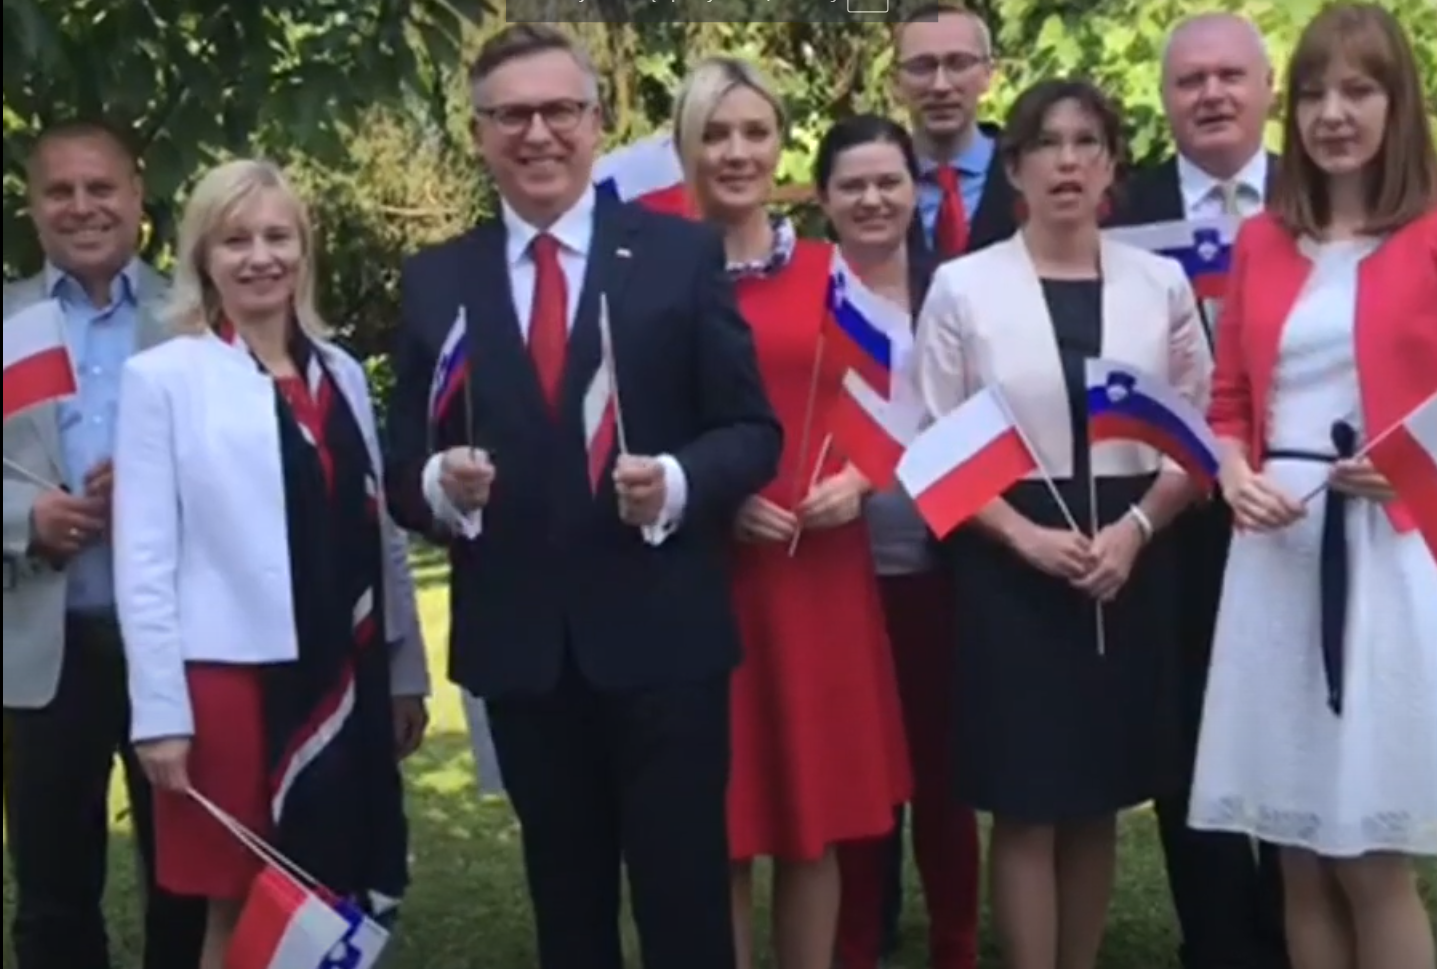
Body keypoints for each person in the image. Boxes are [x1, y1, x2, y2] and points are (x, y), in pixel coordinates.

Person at [383, 26, 782, 969]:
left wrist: (676, 481)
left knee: (686, 908)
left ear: (597, 123)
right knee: (567, 911)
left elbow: (751, 431)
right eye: (512, 115)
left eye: (559, 110)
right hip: (524, 649)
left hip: (665, 641)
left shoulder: (680, 255)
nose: (538, 133)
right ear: (478, 133)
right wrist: (440, 483)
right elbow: (401, 466)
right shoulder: (437, 281)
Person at [914, 79, 1212, 969]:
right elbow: (935, 444)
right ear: (1015, 167)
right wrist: (1024, 537)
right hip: (1011, 551)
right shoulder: (963, 286)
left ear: (1112, 164)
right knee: (1027, 797)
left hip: (1126, 547)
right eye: (1047, 143)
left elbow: (1195, 435)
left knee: (1097, 793)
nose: (1068, 161)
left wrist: (1136, 530)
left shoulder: (1159, 282)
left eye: (1088, 143)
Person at [111, 158, 430, 969]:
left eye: (277, 236)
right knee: (242, 900)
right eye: (236, 240)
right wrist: (159, 714)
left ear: (303, 248)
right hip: (228, 684)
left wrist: (404, 673)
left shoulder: (342, 373)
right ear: (202, 256)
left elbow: (381, 533)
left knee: (333, 899)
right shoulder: (162, 379)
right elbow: (142, 559)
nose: (260, 257)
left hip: (345, 674)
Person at [1189, 5, 1437, 968]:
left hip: (1382, 551)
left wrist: (1411, 461)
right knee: (1293, 849)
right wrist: (1233, 472)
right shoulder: (1262, 240)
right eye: (1315, 94)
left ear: (1396, 103)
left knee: (1366, 857)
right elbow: (1227, 398)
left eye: (1358, 90)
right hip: (1274, 555)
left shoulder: (1430, 236)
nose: (1333, 114)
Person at [670, 60, 912, 969]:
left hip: (819, 572)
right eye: (715, 134)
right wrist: (710, 497)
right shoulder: (653, 274)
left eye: (754, 132)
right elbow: (632, 419)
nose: (736, 152)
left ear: (779, 146)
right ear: (688, 146)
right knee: (719, 822)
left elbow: (898, 406)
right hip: (706, 574)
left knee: (817, 820)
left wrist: (862, 479)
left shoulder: (833, 273)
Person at [1, 119, 206, 969]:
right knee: (52, 895)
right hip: (43, 649)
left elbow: (249, 470)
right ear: (32, 205)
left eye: (101, 187)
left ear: (136, 196)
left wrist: (163, 486)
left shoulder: (195, 315)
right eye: (60, 190)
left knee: (187, 885)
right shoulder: (7, 320)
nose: (82, 206)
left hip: (177, 646)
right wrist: (25, 518)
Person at [1106, 13, 1288, 967]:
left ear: (1267, 89)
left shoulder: (1321, 191)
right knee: (1190, 728)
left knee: (1295, 718)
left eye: (1229, 76)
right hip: (1168, 511)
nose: (1211, 94)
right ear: (1165, 98)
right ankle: (1219, 941)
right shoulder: (1120, 209)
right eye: (1189, 81)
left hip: (1296, 505)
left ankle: (1300, 926)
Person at [814, 115, 976, 969]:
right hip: (834, 570)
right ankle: (855, 943)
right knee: (852, 769)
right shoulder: (807, 292)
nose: (872, 198)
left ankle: (956, 942)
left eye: (889, 181)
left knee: (943, 769)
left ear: (916, 190)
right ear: (823, 198)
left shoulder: (956, 289)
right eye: (853, 184)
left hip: (943, 564)